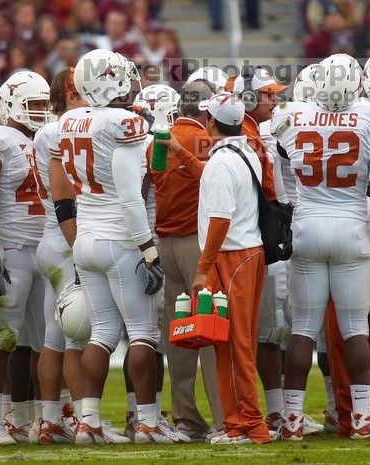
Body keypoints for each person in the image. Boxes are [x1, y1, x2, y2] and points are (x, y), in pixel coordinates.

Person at [49, 49, 182, 444]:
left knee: (102, 333)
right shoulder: (122, 122)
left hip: (85, 237)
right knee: (142, 334)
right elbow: (129, 198)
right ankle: (147, 423)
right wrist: (148, 249)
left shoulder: (69, 121)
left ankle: (88, 423)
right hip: (120, 237)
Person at [275, 53, 370, 440]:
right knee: (354, 329)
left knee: (302, 331)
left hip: (307, 229)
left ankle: (292, 420)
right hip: (351, 231)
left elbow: (280, 160)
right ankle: (362, 418)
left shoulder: (291, 117)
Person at [158, 91, 272, 444]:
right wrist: (181, 153)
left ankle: (247, 425)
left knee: (234, 344)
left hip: (232, 256)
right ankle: (240, 421)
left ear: (210, 120)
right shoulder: (244, 149)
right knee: (234, 342)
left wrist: (203, 268)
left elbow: (220, 218)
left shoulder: (224, 160)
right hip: (247, 253)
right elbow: (212, 175)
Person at [0, 71, 51, 445]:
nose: (40, 111)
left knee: (38, 341)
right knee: (3, 337)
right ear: (11, 105)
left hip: (42, 248)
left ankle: (26, 419)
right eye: (33, 104)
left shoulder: (42, 139)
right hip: (11, 248)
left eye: (43, 104)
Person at [143, 81, 225, 440]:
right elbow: (217, 181)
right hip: (196, 241)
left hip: (165, 241)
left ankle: (185, 417)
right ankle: (224, 417)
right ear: (206, 112)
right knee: (209, 327)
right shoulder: (204, 141)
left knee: (177, 331)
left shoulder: (154, 143)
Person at [225, 65, 288, 433]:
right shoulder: (245, 137)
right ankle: (263, 415)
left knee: (269, 329)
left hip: (252, 240)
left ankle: (275, 411)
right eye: (268, 94)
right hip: (247, 244)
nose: (275, 99)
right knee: (261, 331)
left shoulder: (254, 131)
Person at [33, 68, 94, 444]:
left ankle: (51, 418)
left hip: (51, 239)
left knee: (54, 338)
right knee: (74, 336)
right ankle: (87, 420)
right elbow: (68, 194)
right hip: (67, 236)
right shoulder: (62, 130)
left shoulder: (46, 131)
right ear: (72, 95)